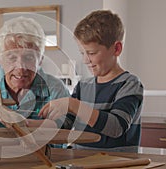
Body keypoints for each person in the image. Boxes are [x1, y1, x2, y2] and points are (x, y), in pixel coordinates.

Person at [39, 10, 144, 152]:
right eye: (82, 53)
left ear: (116, 49)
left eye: (92, 53)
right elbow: (65, 124)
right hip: (82, 161)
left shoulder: (129, 84)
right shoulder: (83, 86)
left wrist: (73, 105)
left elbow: (116, 127)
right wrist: (27, 124)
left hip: (118, 164)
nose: (85, 60)